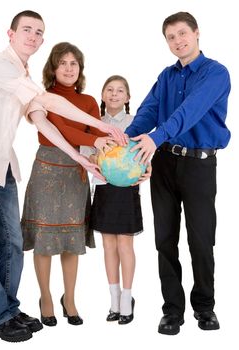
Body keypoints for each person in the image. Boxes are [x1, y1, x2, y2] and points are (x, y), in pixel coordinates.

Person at [0, 11, 126, 343]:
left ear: (42, 40)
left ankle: (9, 309)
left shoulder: (22, 74)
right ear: (11, 33)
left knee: (14, 242)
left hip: (1, 165)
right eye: (26, 30)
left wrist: (79, 158)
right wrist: (104, 126)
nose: (32, 35)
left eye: (38, 32)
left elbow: (43, 121)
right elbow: (47, 102)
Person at [126, 11, 231, 335]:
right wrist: (126, 142)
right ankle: (172, 310)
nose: (178, 41)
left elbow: (191, 111)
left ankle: (205, 307)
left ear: (197, 33)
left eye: (182, 34)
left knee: (201, 240)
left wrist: (157, 136)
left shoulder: (216, 73)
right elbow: (149, 111)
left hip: (199, 165)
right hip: (164, 165)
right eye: (171, 37)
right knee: (165, 239)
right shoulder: (167, 76)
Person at [21, 42, 115, 327]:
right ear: (53, 67)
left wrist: (115, 164)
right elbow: (60, 129)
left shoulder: (87, 102)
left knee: (71, 242)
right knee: (45, 240)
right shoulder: (42, 97)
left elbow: (95, 139)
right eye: (63, 62)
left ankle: (70, 299)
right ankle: (46, 298)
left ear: (80, 69)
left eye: (74, 63)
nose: (69, 68)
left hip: (77, 171)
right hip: (47, 171)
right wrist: (94, 139)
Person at [88, 75, 149, 324]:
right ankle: (113, 300)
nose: (114, 94)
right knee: (108, 246)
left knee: (125, 245)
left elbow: (145, 154)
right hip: (103, 188)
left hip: (127, 190)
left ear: (127, 97)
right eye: (109, 90)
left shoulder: (136, 123)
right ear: (102, 95)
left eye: (120, 90)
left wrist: (146, 167)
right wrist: (99, 159)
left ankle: (127, 298)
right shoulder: (95, 123)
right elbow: (88, 155)